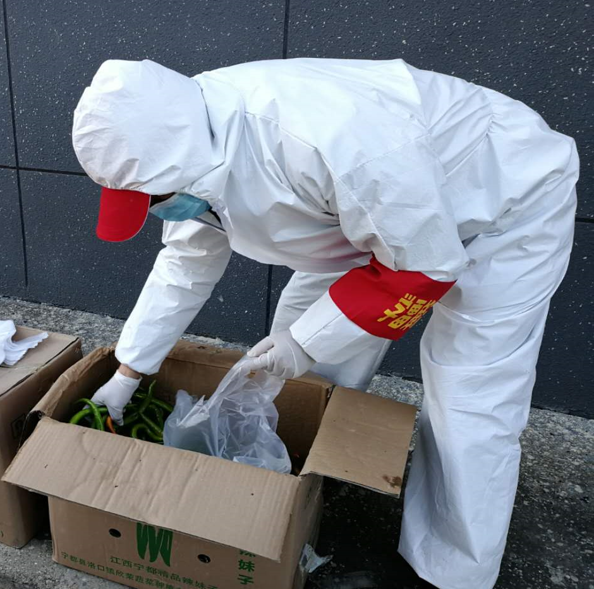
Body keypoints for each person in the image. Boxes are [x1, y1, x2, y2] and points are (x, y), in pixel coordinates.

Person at [71, 58, 578, 589]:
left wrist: (306, 342)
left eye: (154, 196)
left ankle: (450, 572)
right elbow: (185, 264)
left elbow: (425, 267)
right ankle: (309, 476)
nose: (157, 207)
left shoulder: (329, 137)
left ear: (186, 158)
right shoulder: (188, 141)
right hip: (374, 218)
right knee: (297, 350)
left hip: (502, 199)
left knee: (468, 393)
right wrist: (129, 370)